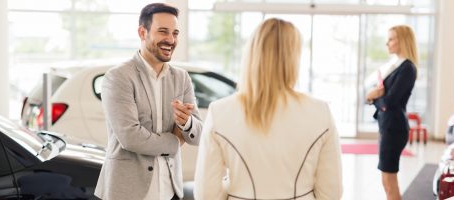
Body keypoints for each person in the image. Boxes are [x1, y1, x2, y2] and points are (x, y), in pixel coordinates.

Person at [193, 18, 343, 200]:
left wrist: (234, 186)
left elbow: (206, 193)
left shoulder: (220, 111)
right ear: (294, 57)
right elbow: (331, 192)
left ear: (251, 54)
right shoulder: (320, 111)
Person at [94, 3, 202, 200]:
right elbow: (131, 137)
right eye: (163, 32)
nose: (171, 40)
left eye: (175, 33)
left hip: (170, 191)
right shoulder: (118, 77)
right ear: (142, 33)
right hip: (127, 192)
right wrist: (175, 140)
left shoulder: (181, 77)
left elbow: (199, 133)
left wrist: (187, 123)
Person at [366, 25, 418, 200]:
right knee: (386, 179)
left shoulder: (407, 68)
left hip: (394, 129)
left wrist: (373, 97)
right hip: (388, 126)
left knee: (389, 180)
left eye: (391, 39)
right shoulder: (396, 66)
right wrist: (374, 96)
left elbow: (389, 101)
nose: (387, 43)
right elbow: (384, 99)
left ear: (402, 41)